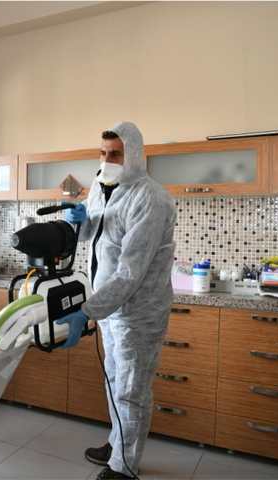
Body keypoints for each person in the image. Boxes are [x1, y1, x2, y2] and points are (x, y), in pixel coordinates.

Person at [55, 122, 177, 480]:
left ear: (134, 155)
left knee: (131, 390)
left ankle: (124, 468)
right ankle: (117, 443)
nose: (107, 160)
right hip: (111, 307)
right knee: (113, 380)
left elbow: (130, 272)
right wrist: (80, 222)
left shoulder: (150, 198)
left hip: (138, 312)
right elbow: (95, 234)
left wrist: (87, 311)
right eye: (103, 153)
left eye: (116, 154)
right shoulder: (101, 186)